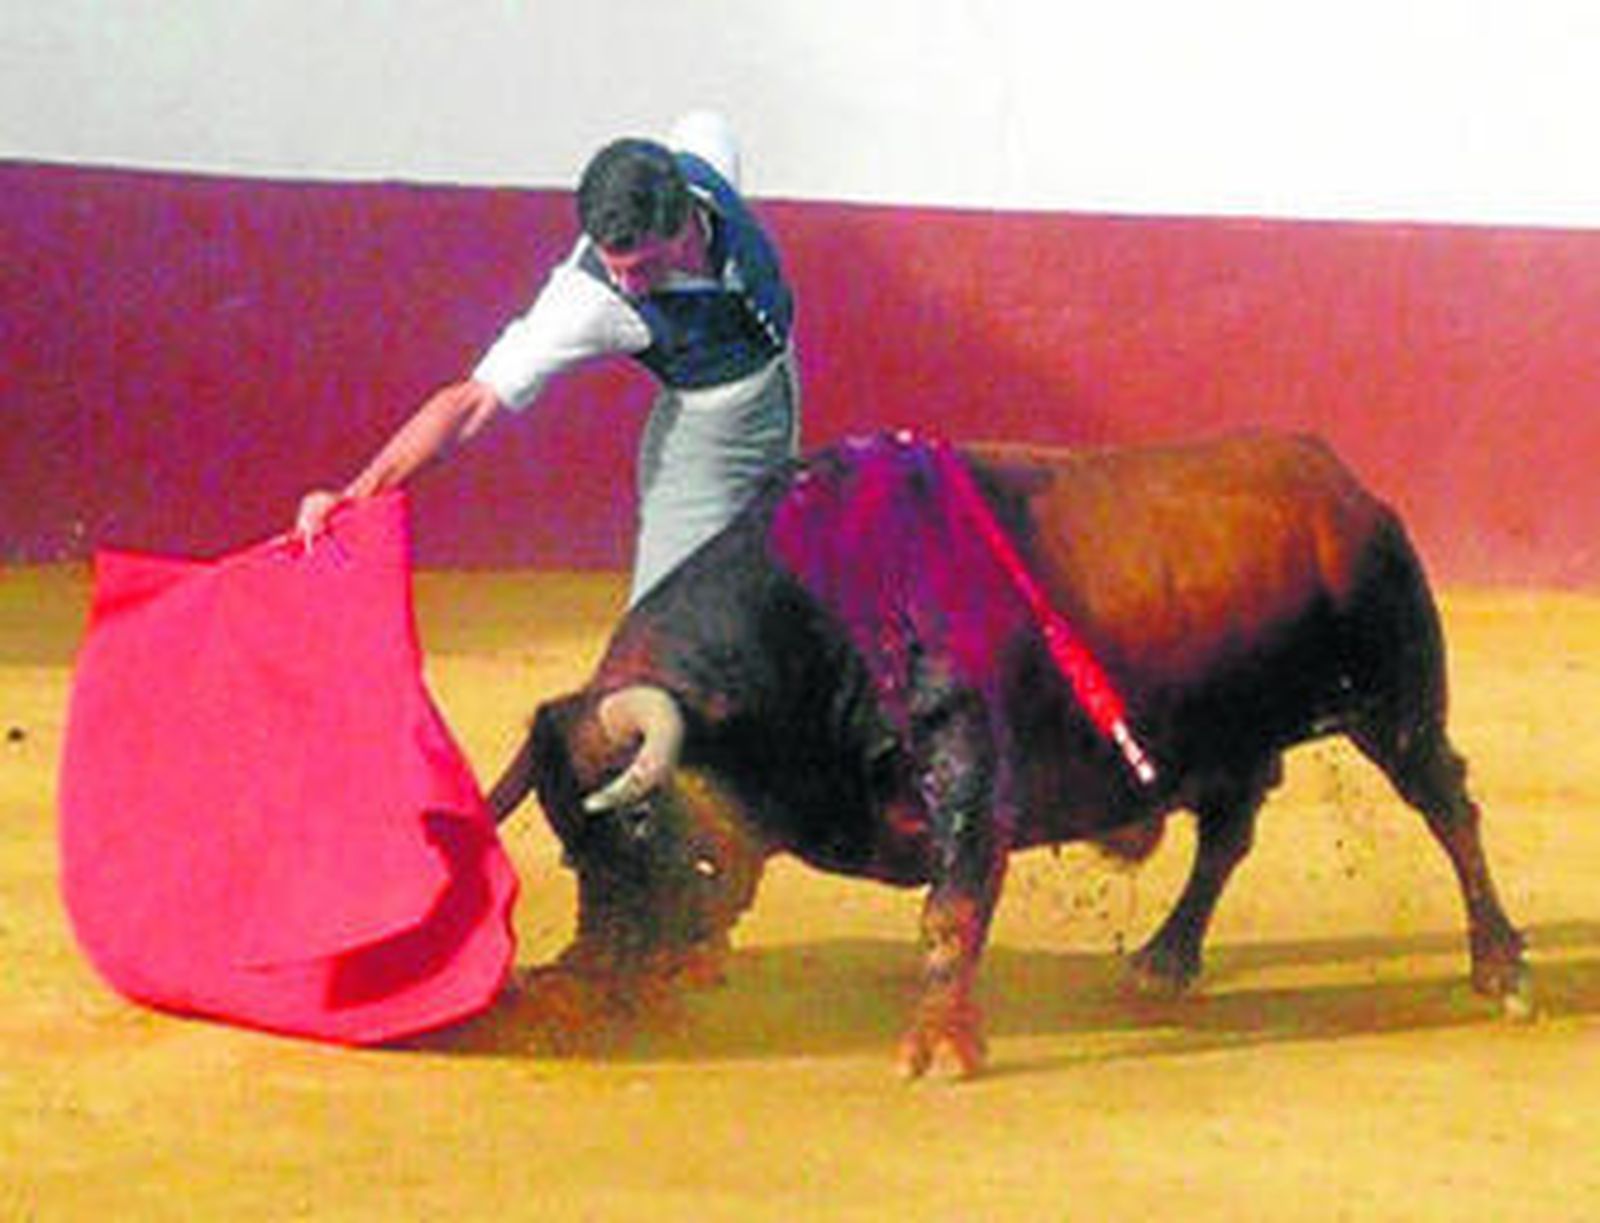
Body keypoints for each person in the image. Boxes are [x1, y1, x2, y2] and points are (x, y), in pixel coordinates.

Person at [295, 111, 799, 604]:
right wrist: (357, 494)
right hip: (708, 444)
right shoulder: (588, 301)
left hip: (778, 386)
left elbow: (705, 122)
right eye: (613, 266)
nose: (625, 284)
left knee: (759, 576)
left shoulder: (702, 162)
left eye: (641, 268)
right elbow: (472, 402)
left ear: (684, 226)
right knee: (667, 619)